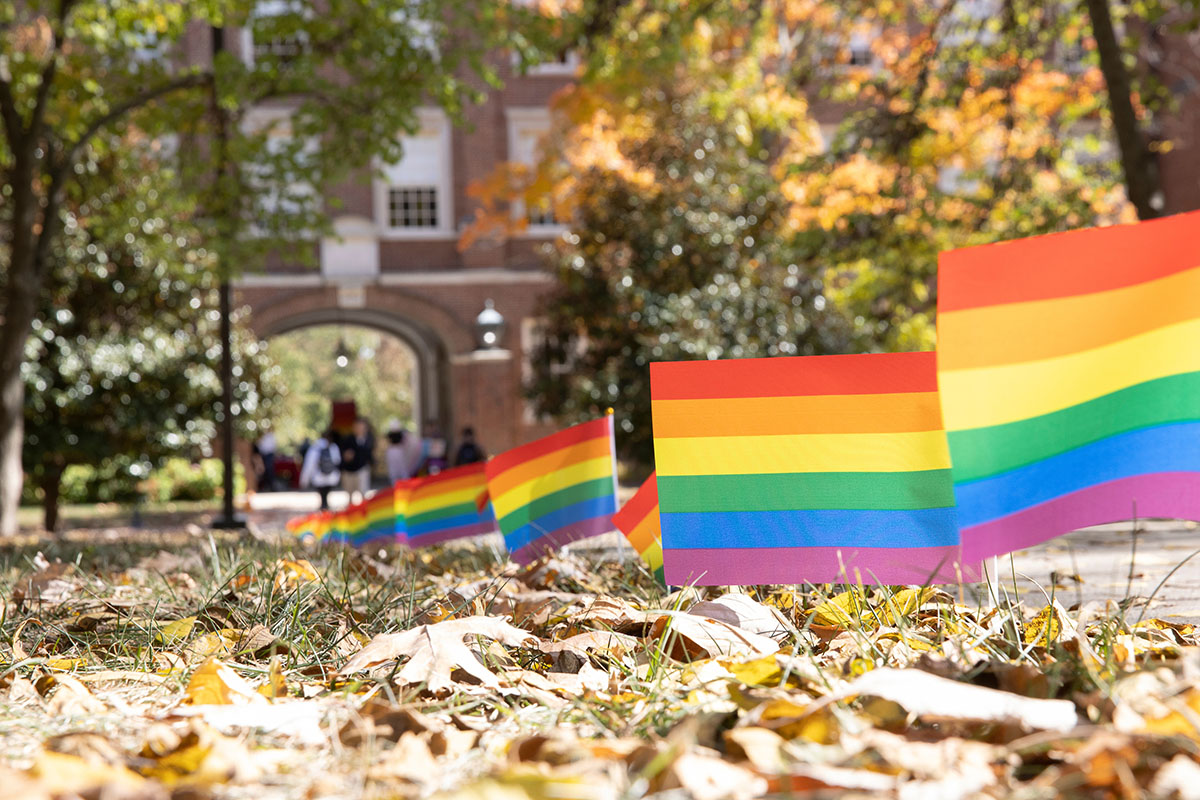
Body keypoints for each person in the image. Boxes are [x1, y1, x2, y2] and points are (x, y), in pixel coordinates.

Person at [299, 428, 341, 510]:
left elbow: (309, 465)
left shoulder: (315, 448)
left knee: (322, 495)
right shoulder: (333, 447)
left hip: (318, 477)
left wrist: (304, 480)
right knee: (326, 495)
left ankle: (323, 507)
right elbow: (337, 461)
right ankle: (325, 507)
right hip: (331, 477)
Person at [341, 417, 375, 503]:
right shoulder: (347, 439)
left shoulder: (369, 439)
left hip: (362, 469)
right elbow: (343, 454)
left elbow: (369, 454)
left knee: (363, 492)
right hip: (349, 470)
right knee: (349, 495)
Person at [253, 428, 278, 492]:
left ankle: (271, 485)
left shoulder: (270, 436)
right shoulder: (262, 436)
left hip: (268, 455)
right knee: (264, 470)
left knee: (269, 470)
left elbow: (272, 446)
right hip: (263, 455)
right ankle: (266, 485)